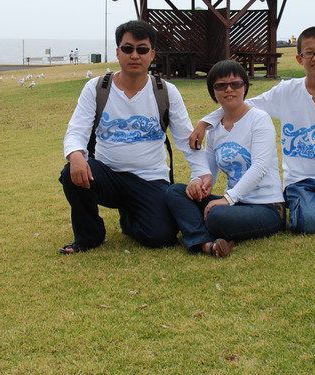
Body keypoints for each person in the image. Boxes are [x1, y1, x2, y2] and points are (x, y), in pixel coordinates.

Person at [191, 26, 315, 234]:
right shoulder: (287, 91)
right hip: (300, 181)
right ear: (300, 59)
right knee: (309, 225)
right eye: (308, 53)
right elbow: (244, 105)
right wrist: (205, 122)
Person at [59, 20, 212, 254]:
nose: (134, 55)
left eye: (142, 50)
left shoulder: (166, 91)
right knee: (71, 173)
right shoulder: (97, 87)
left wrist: (201, 174)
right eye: (128, 48)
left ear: (152, 55)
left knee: (161, 236)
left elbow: (185, 139)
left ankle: (130, 216)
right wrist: (76, 156)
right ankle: (89, 236)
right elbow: (77, 129)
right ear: (118, 52)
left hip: (150, 178)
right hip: (107, 174)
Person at [166, 60, 286, 258]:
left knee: (216, 217)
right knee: (175, 193)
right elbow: (208, 171)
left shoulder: (259, 119)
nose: (229, 90)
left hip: (267, 208)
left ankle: (197, 233)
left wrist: (228, 199)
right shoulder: (214, 129)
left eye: (235, 84)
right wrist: (197, 182)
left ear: (245, 87)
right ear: (213, 92)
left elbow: (260, 167)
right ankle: (206, 244)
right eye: (221, 85)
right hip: (235, 206)